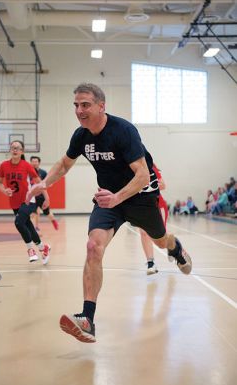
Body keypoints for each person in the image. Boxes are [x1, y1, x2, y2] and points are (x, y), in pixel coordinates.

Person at [26, 83, 192, 343]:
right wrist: (43, 184)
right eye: (76, 105)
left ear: (101, 106)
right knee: (94, 246)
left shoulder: (123, 131)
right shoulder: (81, 136)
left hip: (141, 198)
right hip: (107, 200)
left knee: (160, 240)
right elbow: (65, 164)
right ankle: (87, 319)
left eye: (85, 105)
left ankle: (175, 247)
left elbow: (142, 174)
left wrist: (118, 197)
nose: (79, 110)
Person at [0, 140, 51, 264]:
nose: (15, 150)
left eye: (17, 148)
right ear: (10, 150)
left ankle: (30, 249)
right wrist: (5, 191)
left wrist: (47, 198)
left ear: (22, 151)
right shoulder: (4, 165)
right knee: (28, 227)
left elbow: (39, 182)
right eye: (12, 147)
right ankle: (44, 248)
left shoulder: (26, 166)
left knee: (18, 222)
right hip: (14, 202)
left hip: (28, 200)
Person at [139, 164, 169, 275]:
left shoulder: (151, 167)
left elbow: (163, 185)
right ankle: (150, 263)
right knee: (143, 233)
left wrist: (144, 185)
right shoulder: (129, 168)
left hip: (157, 205)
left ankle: (175, 247)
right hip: (141, 207)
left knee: (161, 240)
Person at [30, 156, 59, 232]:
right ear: (30, 162)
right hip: (32, 197)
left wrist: (46, 184)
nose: (34, 163)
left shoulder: (43, 172)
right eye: (33, 161)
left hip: (41, 196)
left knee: (47, 212)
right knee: (33, 213)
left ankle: (53, 221)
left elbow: (49, 181)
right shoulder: (28, 172)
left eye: (36, 161)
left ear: (39, 163)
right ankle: (35, 228)